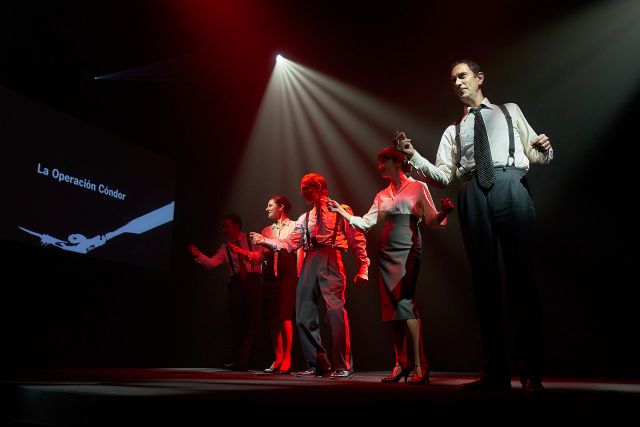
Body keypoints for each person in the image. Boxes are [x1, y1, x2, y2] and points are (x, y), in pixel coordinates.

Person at [396, 60, 553, 393]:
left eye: (462, 76)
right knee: (484, 282)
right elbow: (443, 176)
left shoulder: (509, 111)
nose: (457, 83)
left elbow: (536, 156)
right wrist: (413, 156)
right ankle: (495, 373)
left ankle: (531, 373)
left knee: (521, 278)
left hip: (510, 184)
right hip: (472, 192)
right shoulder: (453, 130)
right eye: (452, 79)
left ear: (480, 78)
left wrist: (544, 148)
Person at [328, 146, 454, 384]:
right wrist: (340, 211)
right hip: (386, 250)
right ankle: (401, 363)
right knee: (391, 308)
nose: (379, 166)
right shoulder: (382, 195)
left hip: (408, 246)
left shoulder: (418, 187)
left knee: (405, 302)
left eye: (382, 161)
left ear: (397, 163)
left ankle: (421, 365)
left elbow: (431, 219)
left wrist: (444, 212)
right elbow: (366, 223)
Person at [250, 173, 369, 379]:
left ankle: (343, 365)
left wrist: (363, 265)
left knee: (335, 312)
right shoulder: (304, 218)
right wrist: (264, 241)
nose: (301, 192)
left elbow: (356, 238)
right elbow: (289, 244)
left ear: (318, 187)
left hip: (331, 256)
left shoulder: (340, 210)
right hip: (310, 259)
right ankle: (319, 364)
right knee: (303, 315)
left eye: (305, 188)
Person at [228, 196, 301, 375]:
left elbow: (290, 247)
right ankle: (278, 357)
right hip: (269, 275)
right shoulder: (266, 230)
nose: (267, 209)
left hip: (286, 273)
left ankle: (287, 357)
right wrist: (244, 253)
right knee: (271, 318)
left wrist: (262, 241)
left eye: (270, 205)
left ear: (281, 206)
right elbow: (260, 257)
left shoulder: (294, 226)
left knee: (284, 316)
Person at [187, 214, 262, 371]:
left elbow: (260, 258)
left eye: (226, 226)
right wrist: (198, 255)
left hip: (253, 281)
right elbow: (212, 263)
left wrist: (243, 253)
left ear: (236, 226)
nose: (224, 229)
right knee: (236, 321)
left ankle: (245, 360)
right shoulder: (224, 248)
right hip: (236, 283)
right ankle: (238, 360)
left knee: (251, 321)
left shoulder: (251, 240)